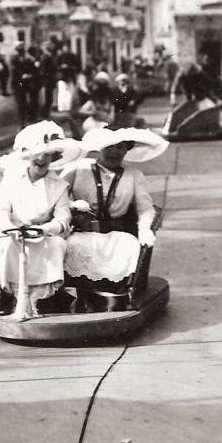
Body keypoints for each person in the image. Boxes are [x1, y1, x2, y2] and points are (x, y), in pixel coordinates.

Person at [62, 127, 168, 313]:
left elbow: (145, 208)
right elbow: (57, 196)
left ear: (127, 150)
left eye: (120, 147)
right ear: (99, 148)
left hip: (116, 233)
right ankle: (77, 297)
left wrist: (144, 229)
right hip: (83, 231)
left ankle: (116, 298)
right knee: (70, 245)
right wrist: (73, 205)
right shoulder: (79, 168)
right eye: (109, 147)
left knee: (128, 246)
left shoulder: (134, 175)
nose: (115, 152)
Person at [0, 121, 82, 316]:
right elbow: (0, 210)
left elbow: (63, 218)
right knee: (5, 246)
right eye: (37, 153)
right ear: (27, 155)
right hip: (13, 233)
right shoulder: (11, 179)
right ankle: (9, 296)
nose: (41, 159)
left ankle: (44, 298)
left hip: (42, 235)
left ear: (54, 157)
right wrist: (9, 229)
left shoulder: (59, 185)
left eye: (47, 154)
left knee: (56, 246)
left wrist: (44, 229)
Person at [10, 42, 39, 127]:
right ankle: (21, 121)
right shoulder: (14, 59)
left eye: (22, 48)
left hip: (25, 84)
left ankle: (24, 120)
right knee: (20, 103)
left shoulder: (27, 60)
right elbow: (15, 71)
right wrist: (22, 76)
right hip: (18, 83)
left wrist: (29, 75)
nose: (22, 50)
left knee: (24, 103)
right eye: (20, 48)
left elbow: (32, 69)